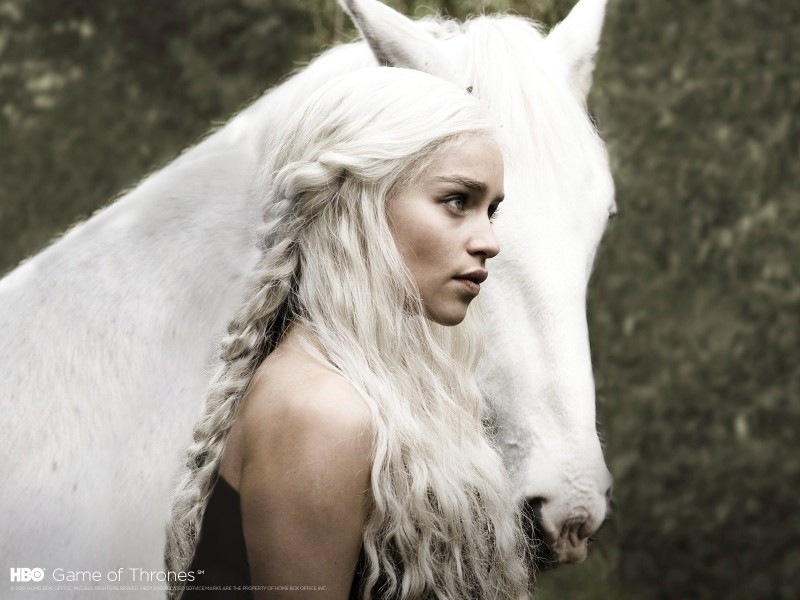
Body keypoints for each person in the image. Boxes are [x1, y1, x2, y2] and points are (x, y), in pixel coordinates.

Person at [164, 67, 530, 599]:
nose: (489, 240)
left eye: (491, 210)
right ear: (354, 203)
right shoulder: (319, 411)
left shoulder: (362, 388)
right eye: (458, 201)